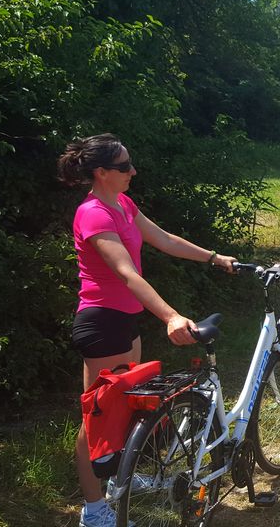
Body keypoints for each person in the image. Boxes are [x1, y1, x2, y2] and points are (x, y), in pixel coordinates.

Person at [57, 133, 237, 527]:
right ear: (101, 172)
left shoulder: (122, 204)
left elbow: (164, 239)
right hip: (101, 323)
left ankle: (115, 480)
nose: (133, 171)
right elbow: (126, 273)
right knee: (96, 419)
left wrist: (213, 257)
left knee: (123, 411)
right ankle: (94, 510)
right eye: (124, 166)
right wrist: (170, 315)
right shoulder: (93, 214)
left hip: (124, 321)